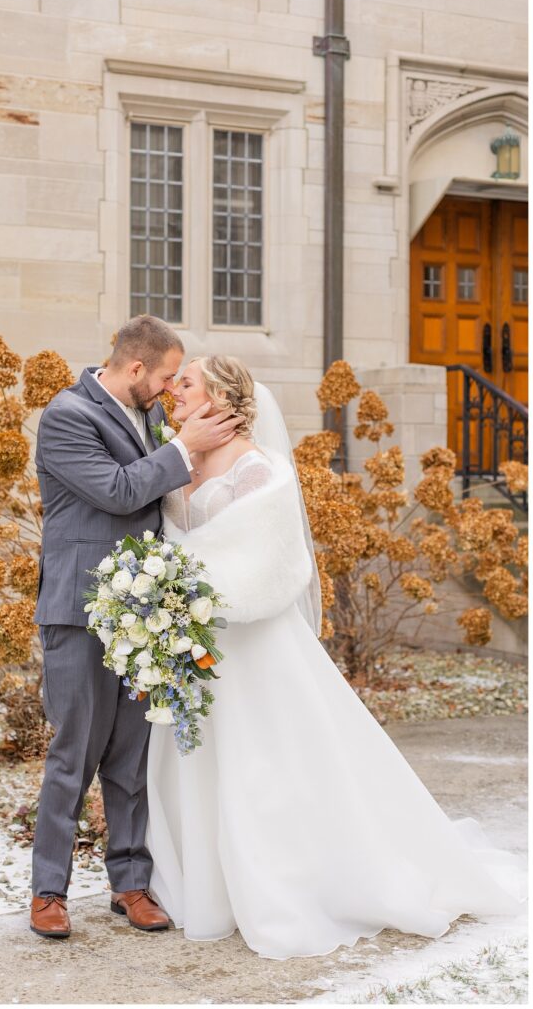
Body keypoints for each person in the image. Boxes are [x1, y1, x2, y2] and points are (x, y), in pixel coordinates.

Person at [145, 355, 528, 960]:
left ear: (219, 395)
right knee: (201, 758)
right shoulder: (173, 455)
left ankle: (291, 878)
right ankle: (205, 880)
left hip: (251, 646)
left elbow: (265, 556)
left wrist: (183, 589)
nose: (175, 390)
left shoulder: (258, 466)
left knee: (268, 765)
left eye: (186, 382)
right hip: (192, 646)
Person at [30, 317, 244, 939]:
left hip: (140, 614)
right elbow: (119, 491)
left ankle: (130, 884)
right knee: (73, 755)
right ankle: (49, 892)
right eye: (165, 377)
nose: (169, 390)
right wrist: (183, 450)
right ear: (133, 369)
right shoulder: (67, 416)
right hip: (77, 610)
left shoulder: (146, 417)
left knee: (131, 758)